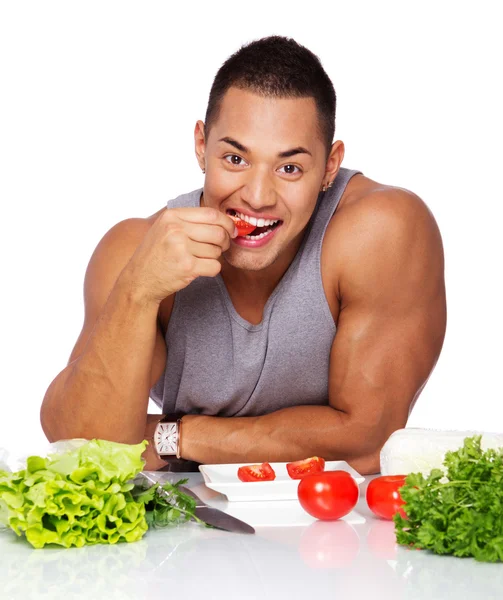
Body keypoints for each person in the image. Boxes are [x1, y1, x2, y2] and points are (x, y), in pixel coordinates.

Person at [40, 36, 446, 475]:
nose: (256, 196)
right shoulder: (135, 249)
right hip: (184, 532)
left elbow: (368, 442)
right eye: (235, 159)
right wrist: (138, 291)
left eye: (288, 168)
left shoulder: (380, 229)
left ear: (329, 166)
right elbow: (80, 445)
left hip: (331, 528)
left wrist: (174, 436)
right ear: (201, 145)